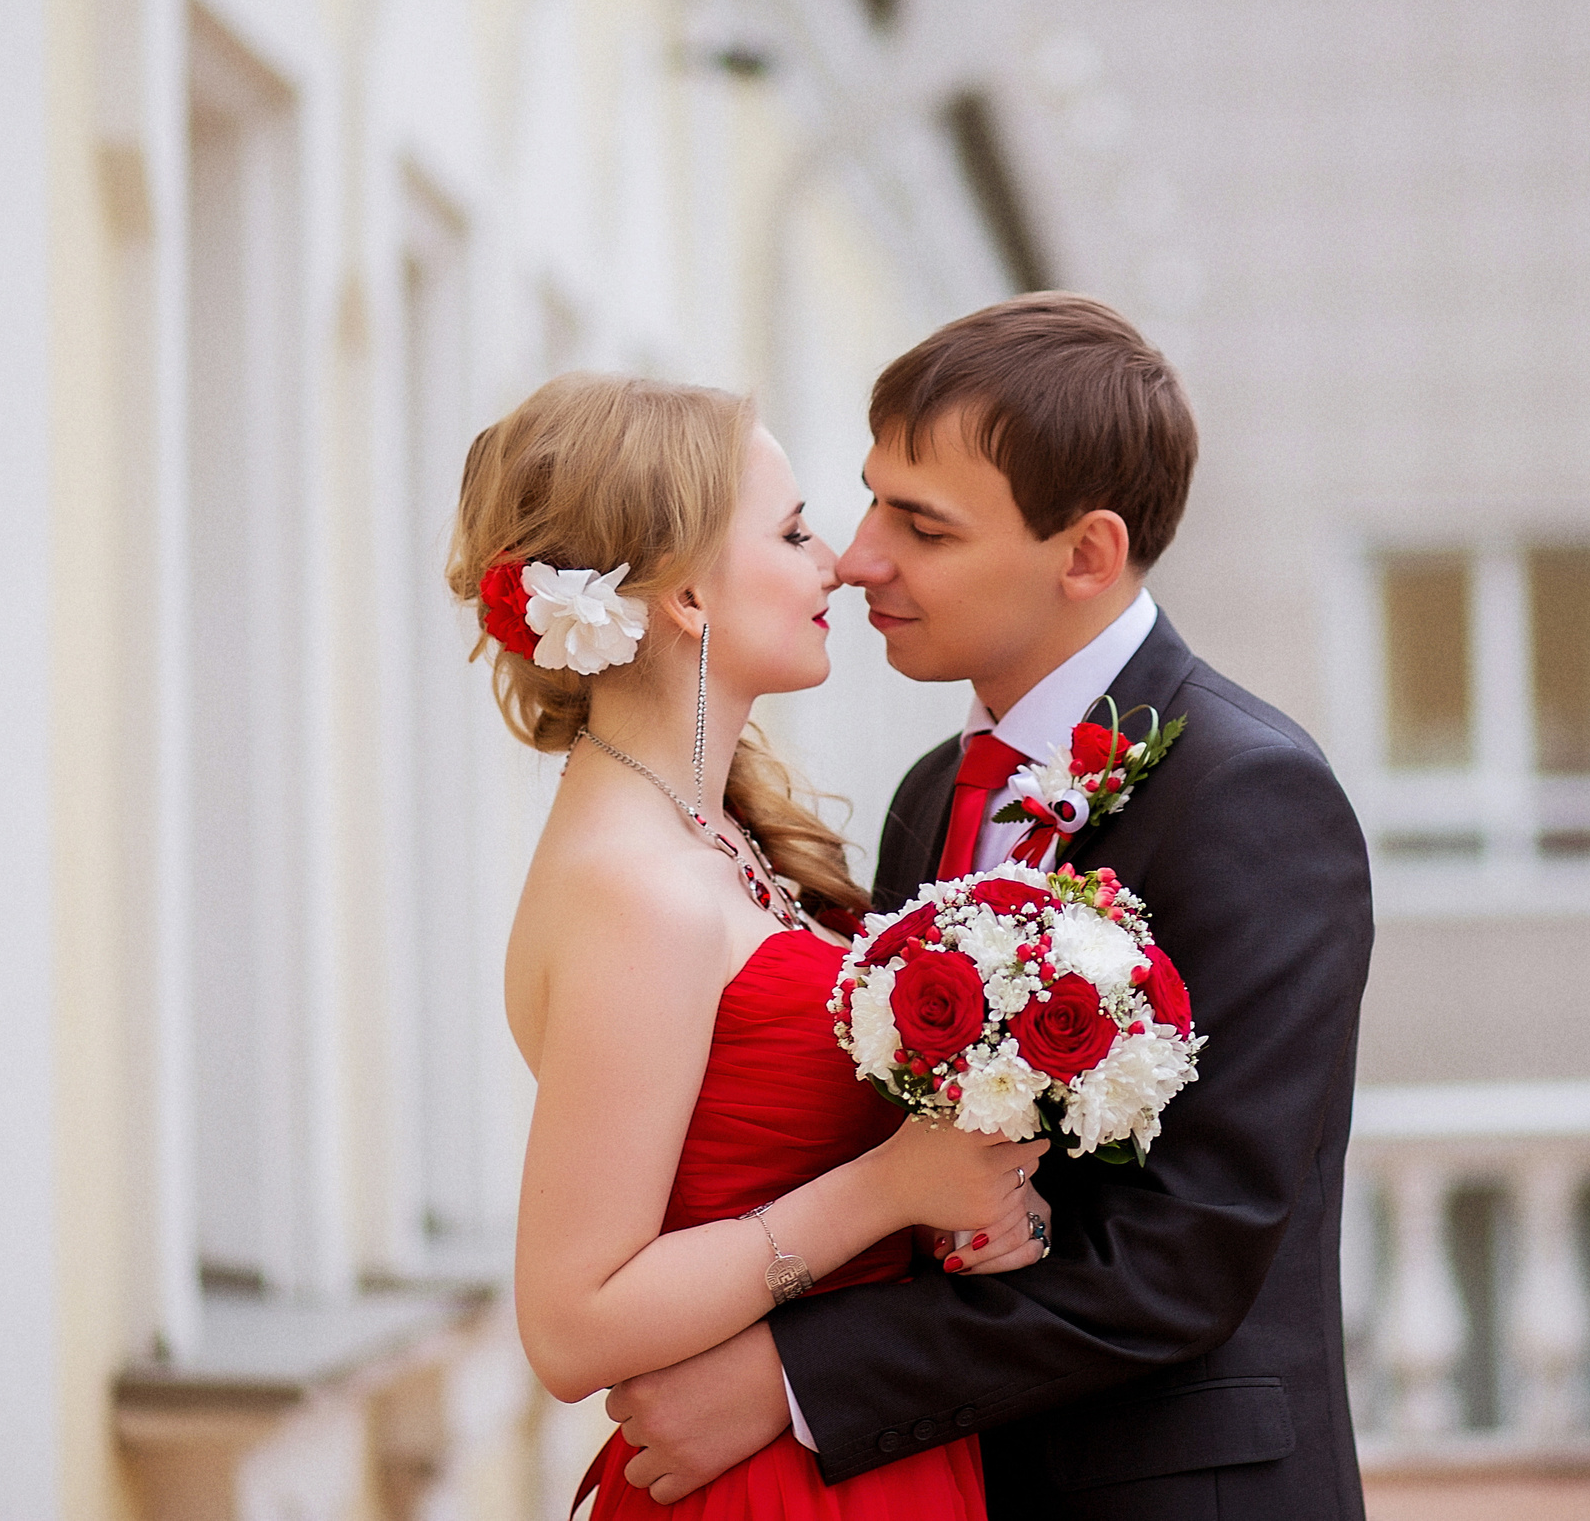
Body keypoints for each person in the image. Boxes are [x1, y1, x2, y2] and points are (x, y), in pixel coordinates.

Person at [604, 294, 1375, 1518]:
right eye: (866, 501)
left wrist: (787, 1380)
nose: (857, 558)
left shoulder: (1248, 795)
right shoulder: (931, 796)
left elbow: (1185, 1255)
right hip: (941, 1482)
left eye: (922, 525)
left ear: (1084, 555)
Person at [450, 373, 1054, 1520]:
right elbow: (572, 1323)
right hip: (766, 1486)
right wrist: (889, 1189)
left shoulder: (709, 836)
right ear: (680, 593)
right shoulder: (641, 890)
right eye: (791, 531)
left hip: (855, 1448)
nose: (835, 562)